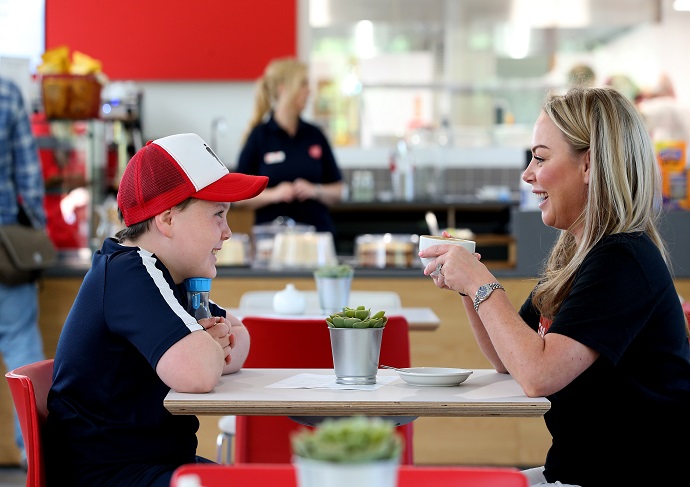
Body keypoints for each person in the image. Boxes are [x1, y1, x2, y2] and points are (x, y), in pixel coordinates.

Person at [419, 87, 690, 486]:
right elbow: (508, 356)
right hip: (576, 471)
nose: (527, 174)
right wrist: (467, 287)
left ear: (590, 165)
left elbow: (537, 374)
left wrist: (481, 283)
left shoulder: (623, 260)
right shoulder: (577, 254)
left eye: (541, 157)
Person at [44, 133, 268, 486]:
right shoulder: (130, 271)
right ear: (167, 220)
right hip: (109, 476)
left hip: (152, 465)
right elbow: (198, 374)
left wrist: (210, 346)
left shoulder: (169, 276)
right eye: (218, 214)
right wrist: (206, 349)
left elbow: (239, 337)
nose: (227, 232)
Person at [234, 57, 344, 234]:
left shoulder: (315, 135)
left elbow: (339, 191)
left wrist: (315, 190)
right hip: (271, 240)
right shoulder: (259, 137)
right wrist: (275, 194)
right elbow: (238, 196)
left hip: (316, 237)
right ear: (283, 89)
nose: (309, 91)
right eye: (303, 84)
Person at [0, 75, 48, 469]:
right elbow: (29, 179)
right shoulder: (6, 92)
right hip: (4, 250)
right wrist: (35, 238)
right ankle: (35, 456)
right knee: (21, 345)